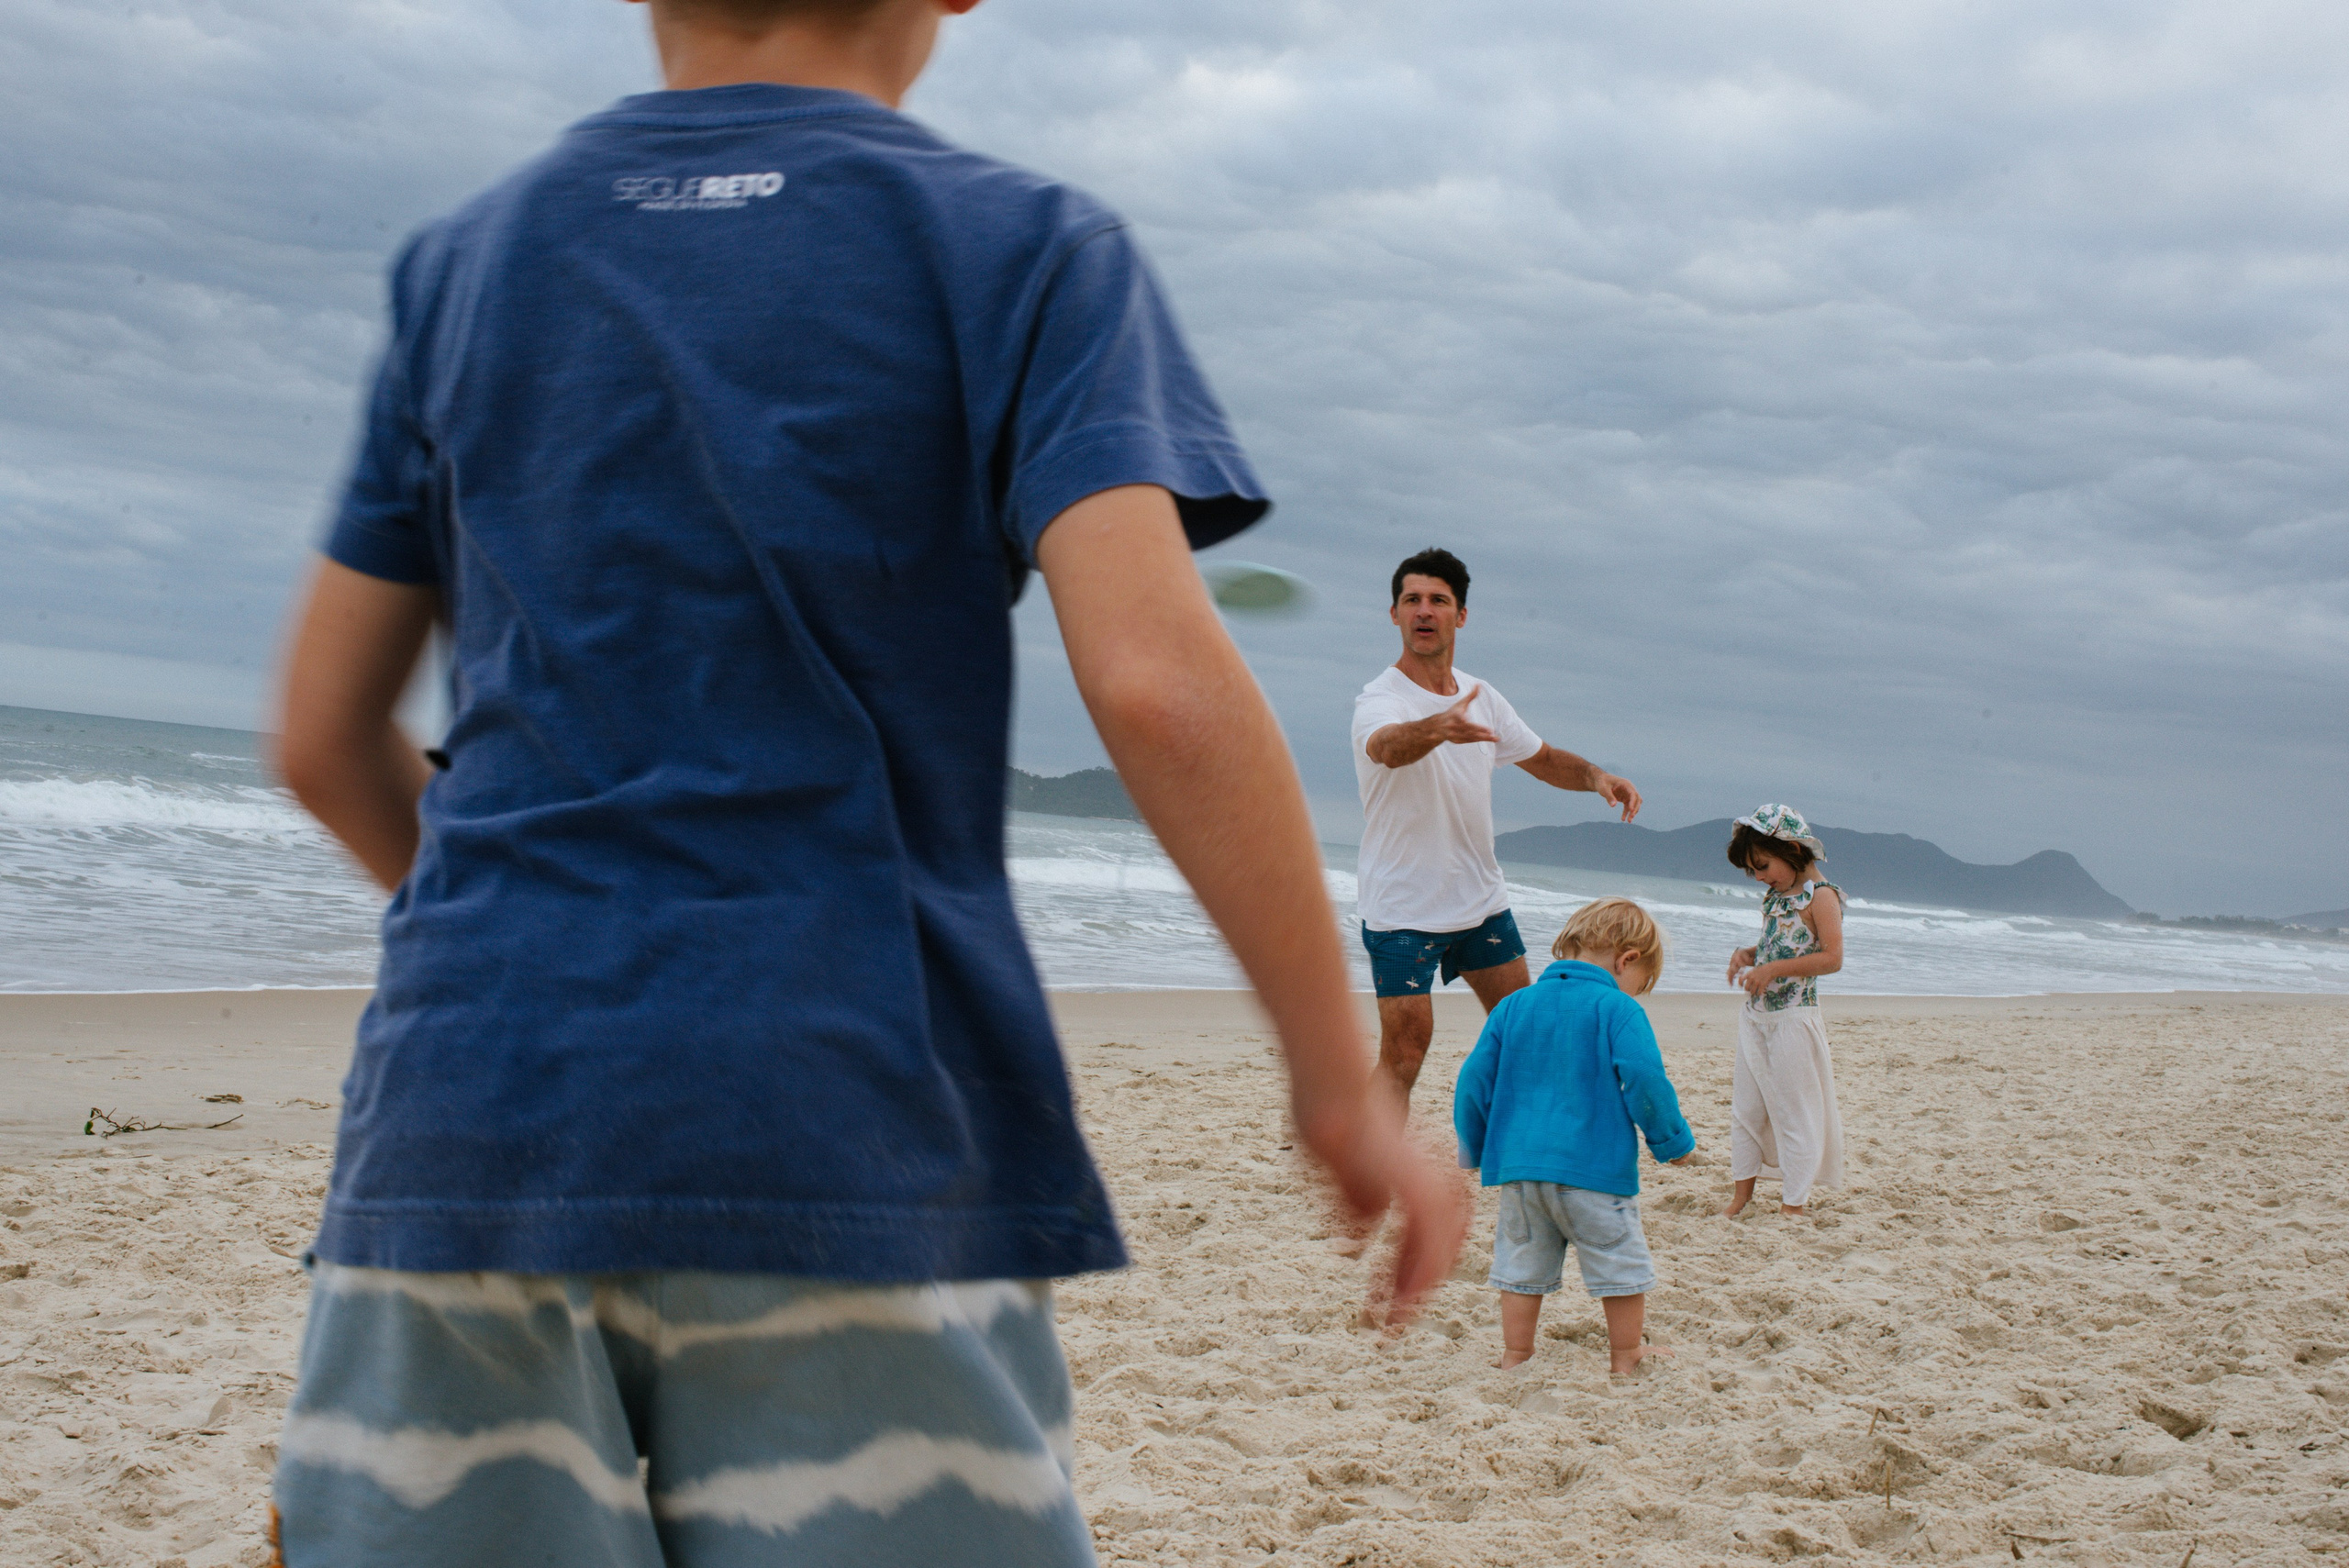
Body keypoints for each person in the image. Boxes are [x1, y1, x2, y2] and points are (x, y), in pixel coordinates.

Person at [264, 3, 1464, 1563]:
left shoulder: (464, 261)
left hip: (462, 1127)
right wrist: (1333, 1078)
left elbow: (319, 738)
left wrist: (517, 943)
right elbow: (1160, 689)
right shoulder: (1023, 249)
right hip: (848, 1126)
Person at [1353, 547, 1642, 1106]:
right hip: (1402, 909)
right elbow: (1387, 748)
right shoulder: (1380, 698)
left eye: (1439, 600)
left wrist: (1596, 777)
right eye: (1412, 599)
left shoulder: (1481, 697)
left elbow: (1542, 757)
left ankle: (1520, 1148)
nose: (1424, 610)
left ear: (1460, 615)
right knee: (1405, 1054)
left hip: (1479, 901)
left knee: (1524, 1035)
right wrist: (1438, 727)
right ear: (1394, 613)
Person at [1452, 898, 1694, 1374]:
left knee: (1521, 1266)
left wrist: (1475, 1147)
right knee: (1619, 1265)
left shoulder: (1512, 1006)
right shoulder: (1618, 1008)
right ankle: (1625, 1355)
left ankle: (1516, 1354)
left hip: (1520, 1170)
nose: (1636, 991)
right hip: (1594, 1171)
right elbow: (1644, 1079)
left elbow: (1473, 1081)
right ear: (1627, 960)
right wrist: (1672, 1142)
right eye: (1640, 981)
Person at [1721, 805, 1849, 1219]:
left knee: (1796, 1113)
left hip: (1794, 1019)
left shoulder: (1823, 896)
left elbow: (1831, 958)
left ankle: (1793, 1204)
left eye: (1762, 865)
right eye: (1751, 871)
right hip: (1756, 1017)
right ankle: (1741, 1198)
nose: (1759, 876)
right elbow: (1777, 944)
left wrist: (1773, 970)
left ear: (1791, 849)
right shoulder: (1775, 896)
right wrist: (1749, 954)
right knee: (1747, 1109)